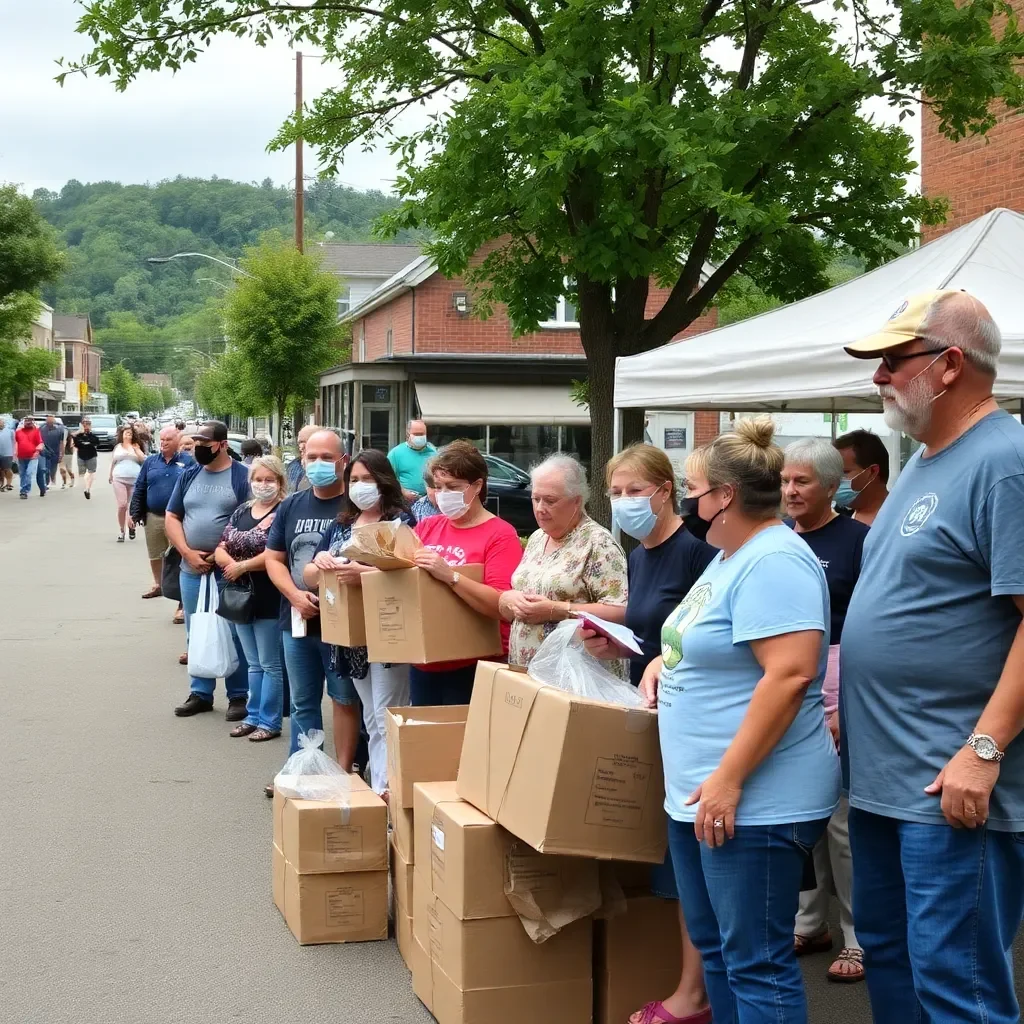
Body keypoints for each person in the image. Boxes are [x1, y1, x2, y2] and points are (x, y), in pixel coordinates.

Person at [841, 291, 1024, 1024]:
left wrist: (984, 749)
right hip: (888, 780)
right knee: (889, 953)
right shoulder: (923, 461)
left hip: (950, 786)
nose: (879, 377)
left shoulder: (1005, 462)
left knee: (958, 987)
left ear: (950, 365)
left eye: (892, 360)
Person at [642, 416, 839, 1024]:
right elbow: (704, 638)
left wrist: (728, 779)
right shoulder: (733, 555)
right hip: (704, 794)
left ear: (725, 496)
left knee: (756, 961)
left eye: (695, 489)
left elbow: (789, 675)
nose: (690, 500)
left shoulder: (775, 560)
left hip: (753, 801)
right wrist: (660, 664)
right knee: (722, 951)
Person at [585, 443, 716, 1024]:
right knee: (669, 859)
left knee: (690, 862)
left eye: (635, 491)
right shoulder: (638, 555)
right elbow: (649, 633)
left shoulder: (697, 553)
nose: (624, 503)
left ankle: (697, 991)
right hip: (653, 712)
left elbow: (698, 641)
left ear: (666, 491)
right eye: (615, 493)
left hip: (690, 721)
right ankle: (685, 980)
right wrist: (609, 640)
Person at [781, 437, 869, 984]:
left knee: (841, 823)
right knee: (800, 817)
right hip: (787, 692)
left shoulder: (860, 541)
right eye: (786, 480)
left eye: (802, 481)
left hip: (840, 694)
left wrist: (848, 710)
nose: (789, 491)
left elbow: (868, 630)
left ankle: (858, 936)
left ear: (833, 486)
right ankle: (809, 923)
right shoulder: (777, 540)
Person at [307, 450, 413, 792]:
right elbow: (309, 575)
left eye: (367, 479)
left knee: (387, 716)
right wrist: (322, 561)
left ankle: (390, 794)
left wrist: (364, 574)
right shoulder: (340, 525)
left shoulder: (402, 523)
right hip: (351, 636)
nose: (360, 486)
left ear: (384, 481)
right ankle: (381, 788)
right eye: (354, 480)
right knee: (371, 715)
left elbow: (411, 576)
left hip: (389, 632)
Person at [265, 428, 361, 776]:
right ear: (302, 460)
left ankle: (343, 771)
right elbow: (273, 559)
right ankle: (303, 768)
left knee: (345, 699)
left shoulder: (355, 507)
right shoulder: (291, 505)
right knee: (303, 702)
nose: (318, 464)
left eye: (327, 458)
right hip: (297, 621)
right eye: (311, 457)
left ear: (343, 461)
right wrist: (294, 595)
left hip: (342, 625)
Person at [411, 440, 522, 705]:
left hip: (475, 663)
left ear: (478, 486)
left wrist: (450, 576)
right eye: (438, 487)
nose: (442, 494)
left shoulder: (500, 534)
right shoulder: (428, 526)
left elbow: (502, 605)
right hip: (425, 662)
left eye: (453, 487)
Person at [499, 454, 628, 670]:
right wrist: (509, 599)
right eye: (535, 498)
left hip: (576, 676)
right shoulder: (538, 537)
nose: (540, 508)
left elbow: (620, 612)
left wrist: (557, 610)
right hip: (529, 673)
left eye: (550, 500)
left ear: (577, 500)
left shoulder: (598, 543)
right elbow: (518, 598)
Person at [165, 421, 252, 719]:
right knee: (196, 628)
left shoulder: (242, 477)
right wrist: (187, 552)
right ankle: (200, 692)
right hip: (191, 567)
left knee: (232, 631)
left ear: (223, 444)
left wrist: (221, 553)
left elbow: (250, 521)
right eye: (197, 441)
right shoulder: (189, 474)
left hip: (226, 568)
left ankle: (238, 695)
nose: (199, 447)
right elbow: (172, 517)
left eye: (206, 442)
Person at [215, 455, 288, 742]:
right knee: (253, 662)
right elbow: (222, 544)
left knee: (270, 663)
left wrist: (243, 565)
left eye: (269, 479)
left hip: (269, 593)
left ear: (280, 482)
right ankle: (253, 715)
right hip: (239, 595)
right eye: (258, 479)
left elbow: (276, 552)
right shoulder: (243, 510)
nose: (263, 485)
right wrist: (228, 563)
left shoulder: (284, 510)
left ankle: (270, 721)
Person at [129, 425, 193, 598]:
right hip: (153, 516)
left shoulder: (188, 462)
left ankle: (181, 598)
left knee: (179, 555)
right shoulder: (151, 461)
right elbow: (140, 487)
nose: (164, 443)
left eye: (168, 439)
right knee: (155, 554)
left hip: (179, 518)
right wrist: (134, 513)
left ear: (177, 441)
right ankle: (158, 584)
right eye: (162, 439)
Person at [832, 429, 889, 526]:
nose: (834, 481)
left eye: (844, 472)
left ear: (872, 472)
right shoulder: (834, 519)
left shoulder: (901, 518)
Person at [109, 425, 146, 542]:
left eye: (130, 433)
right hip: (119, 477)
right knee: (122, 505)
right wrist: (110, 474)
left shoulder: (136, 446)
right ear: (122, 435)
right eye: (126, 433)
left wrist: (136, 449)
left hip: (135, 479)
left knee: (132, 507)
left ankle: (131, 526)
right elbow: (113, 461)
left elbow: (143, 459)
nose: (128, 435)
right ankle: (121, 530)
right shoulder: (118, 447)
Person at [388, 419, 436, 501]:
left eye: (422, 434)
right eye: (416, 434)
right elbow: (388, 477)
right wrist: (403, 492)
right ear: (408, 435)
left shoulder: (434, 453)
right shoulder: (395, 453)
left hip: (430, 501)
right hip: (406, 501)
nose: (419, 437)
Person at [15, 415, 45, 499]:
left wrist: (37, 451)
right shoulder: (18, 432)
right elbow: (15, 443)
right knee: (22, 474)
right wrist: (14, 452)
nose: (28, 422)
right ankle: (23, 491)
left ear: (33, 422)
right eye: (27, 420)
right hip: (21, 457)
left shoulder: (36, 431)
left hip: (33, 457)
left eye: (30, 421)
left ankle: (25, 490)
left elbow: (40, 443)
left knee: (29, 473)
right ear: (23, 422)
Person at [72, 417, 100, 498]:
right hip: (81, 455)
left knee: (91, 472)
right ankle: (85, 487)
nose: (86, 426)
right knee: (82, 474)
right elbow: (75, 442)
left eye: (88, 424)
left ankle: (87, 489)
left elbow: (96, 442)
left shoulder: (92, 434)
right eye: (84, 424)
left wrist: (89, 434)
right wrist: (79, 433)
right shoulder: (78, 434)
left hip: (91, 455)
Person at [285, 424, 318, 492]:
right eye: (300, 442)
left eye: (305, 442)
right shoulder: (293, 466)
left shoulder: (326, 468)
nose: (301, 446)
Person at [39, 414, 66, 490]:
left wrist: (61, 453)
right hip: (45, 452)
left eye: (51, 421)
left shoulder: (59, 430)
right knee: (46, 469)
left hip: (55, 452)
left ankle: (52, 478)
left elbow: (61, 442)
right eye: (48, 421)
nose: (49, 423)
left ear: (54, 422)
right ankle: (46, 483)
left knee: (53, 468)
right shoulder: (42, 429)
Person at [0, 415, 14, 492]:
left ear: (4, 423)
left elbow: (14, 442)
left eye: (0, 422)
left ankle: (9, 484)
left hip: (7, 453)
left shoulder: (10, 431)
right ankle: (1, 484)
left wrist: (14, 453)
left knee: (7, 469)